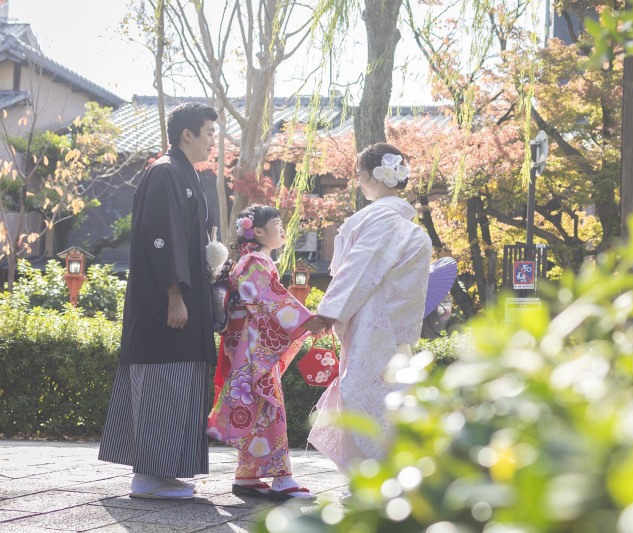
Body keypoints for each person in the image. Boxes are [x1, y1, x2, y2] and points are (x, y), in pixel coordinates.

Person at [98, 103, 218, 500]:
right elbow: (159, 239)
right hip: (166, 304)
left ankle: (164, 472)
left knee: (180, 378)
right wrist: (174, 296)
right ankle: (149, 475)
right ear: (188, 134)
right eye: (209, 133)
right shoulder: (165, 172)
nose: (213, 141)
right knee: (163, 378)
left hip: (185, 299)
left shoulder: (184, 175)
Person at [304, 143, 433, 473]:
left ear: (370, 176)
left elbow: (358, 267)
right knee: (387, 395)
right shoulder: (402, 223)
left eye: (360, 176)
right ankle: (392, 474)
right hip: (389, 325)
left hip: (373, 325)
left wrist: (328, 312)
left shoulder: (383, 220)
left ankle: (375, 477)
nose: (359, 183)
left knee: (365, 394)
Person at [207, 205, 325, 500]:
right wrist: (305, 320)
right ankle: (282, 479)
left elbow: (268, 299)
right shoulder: (253, 261)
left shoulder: (249, 260)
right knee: (270, 408)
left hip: (250, 344)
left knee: (259, 408)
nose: (282, 228)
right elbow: (269, 298)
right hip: (252, 346)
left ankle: (247, 476)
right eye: (277, 223)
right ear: (258, 232)